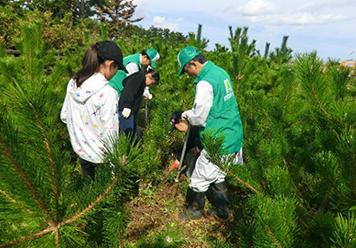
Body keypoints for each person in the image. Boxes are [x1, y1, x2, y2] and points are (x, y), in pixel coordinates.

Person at [174, 46, 244, 222]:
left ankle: (194, 212)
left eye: (186, 70)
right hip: (233, 133)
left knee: (199, 177)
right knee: (219, 174)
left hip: (219, 139)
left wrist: (186, 114)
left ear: (193, 64)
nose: (188, 74)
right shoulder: (220, 72)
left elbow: (199, 118)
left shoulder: (205, 83)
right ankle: (222, 212)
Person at [60, 41, 127, 180]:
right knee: (103, 197)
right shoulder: (108, 92)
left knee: (88, 194)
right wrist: (115, 166)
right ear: (110, 65)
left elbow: (64, 116)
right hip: (101, 159)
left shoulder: (73, 83)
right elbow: (110, 133)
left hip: (81, 151)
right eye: (117, 69)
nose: (115, 74)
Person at [119, 66, 160, 146]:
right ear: (149, 76)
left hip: (131, 111)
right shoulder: (140, 77)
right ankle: (124, 156)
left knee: (135, 138)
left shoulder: (137, 79)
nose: (150, 85)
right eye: (152, 83)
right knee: (127, 137)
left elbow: (125, 82)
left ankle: (133, 155)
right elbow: (130, 90)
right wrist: (127, 106)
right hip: (127, 109)